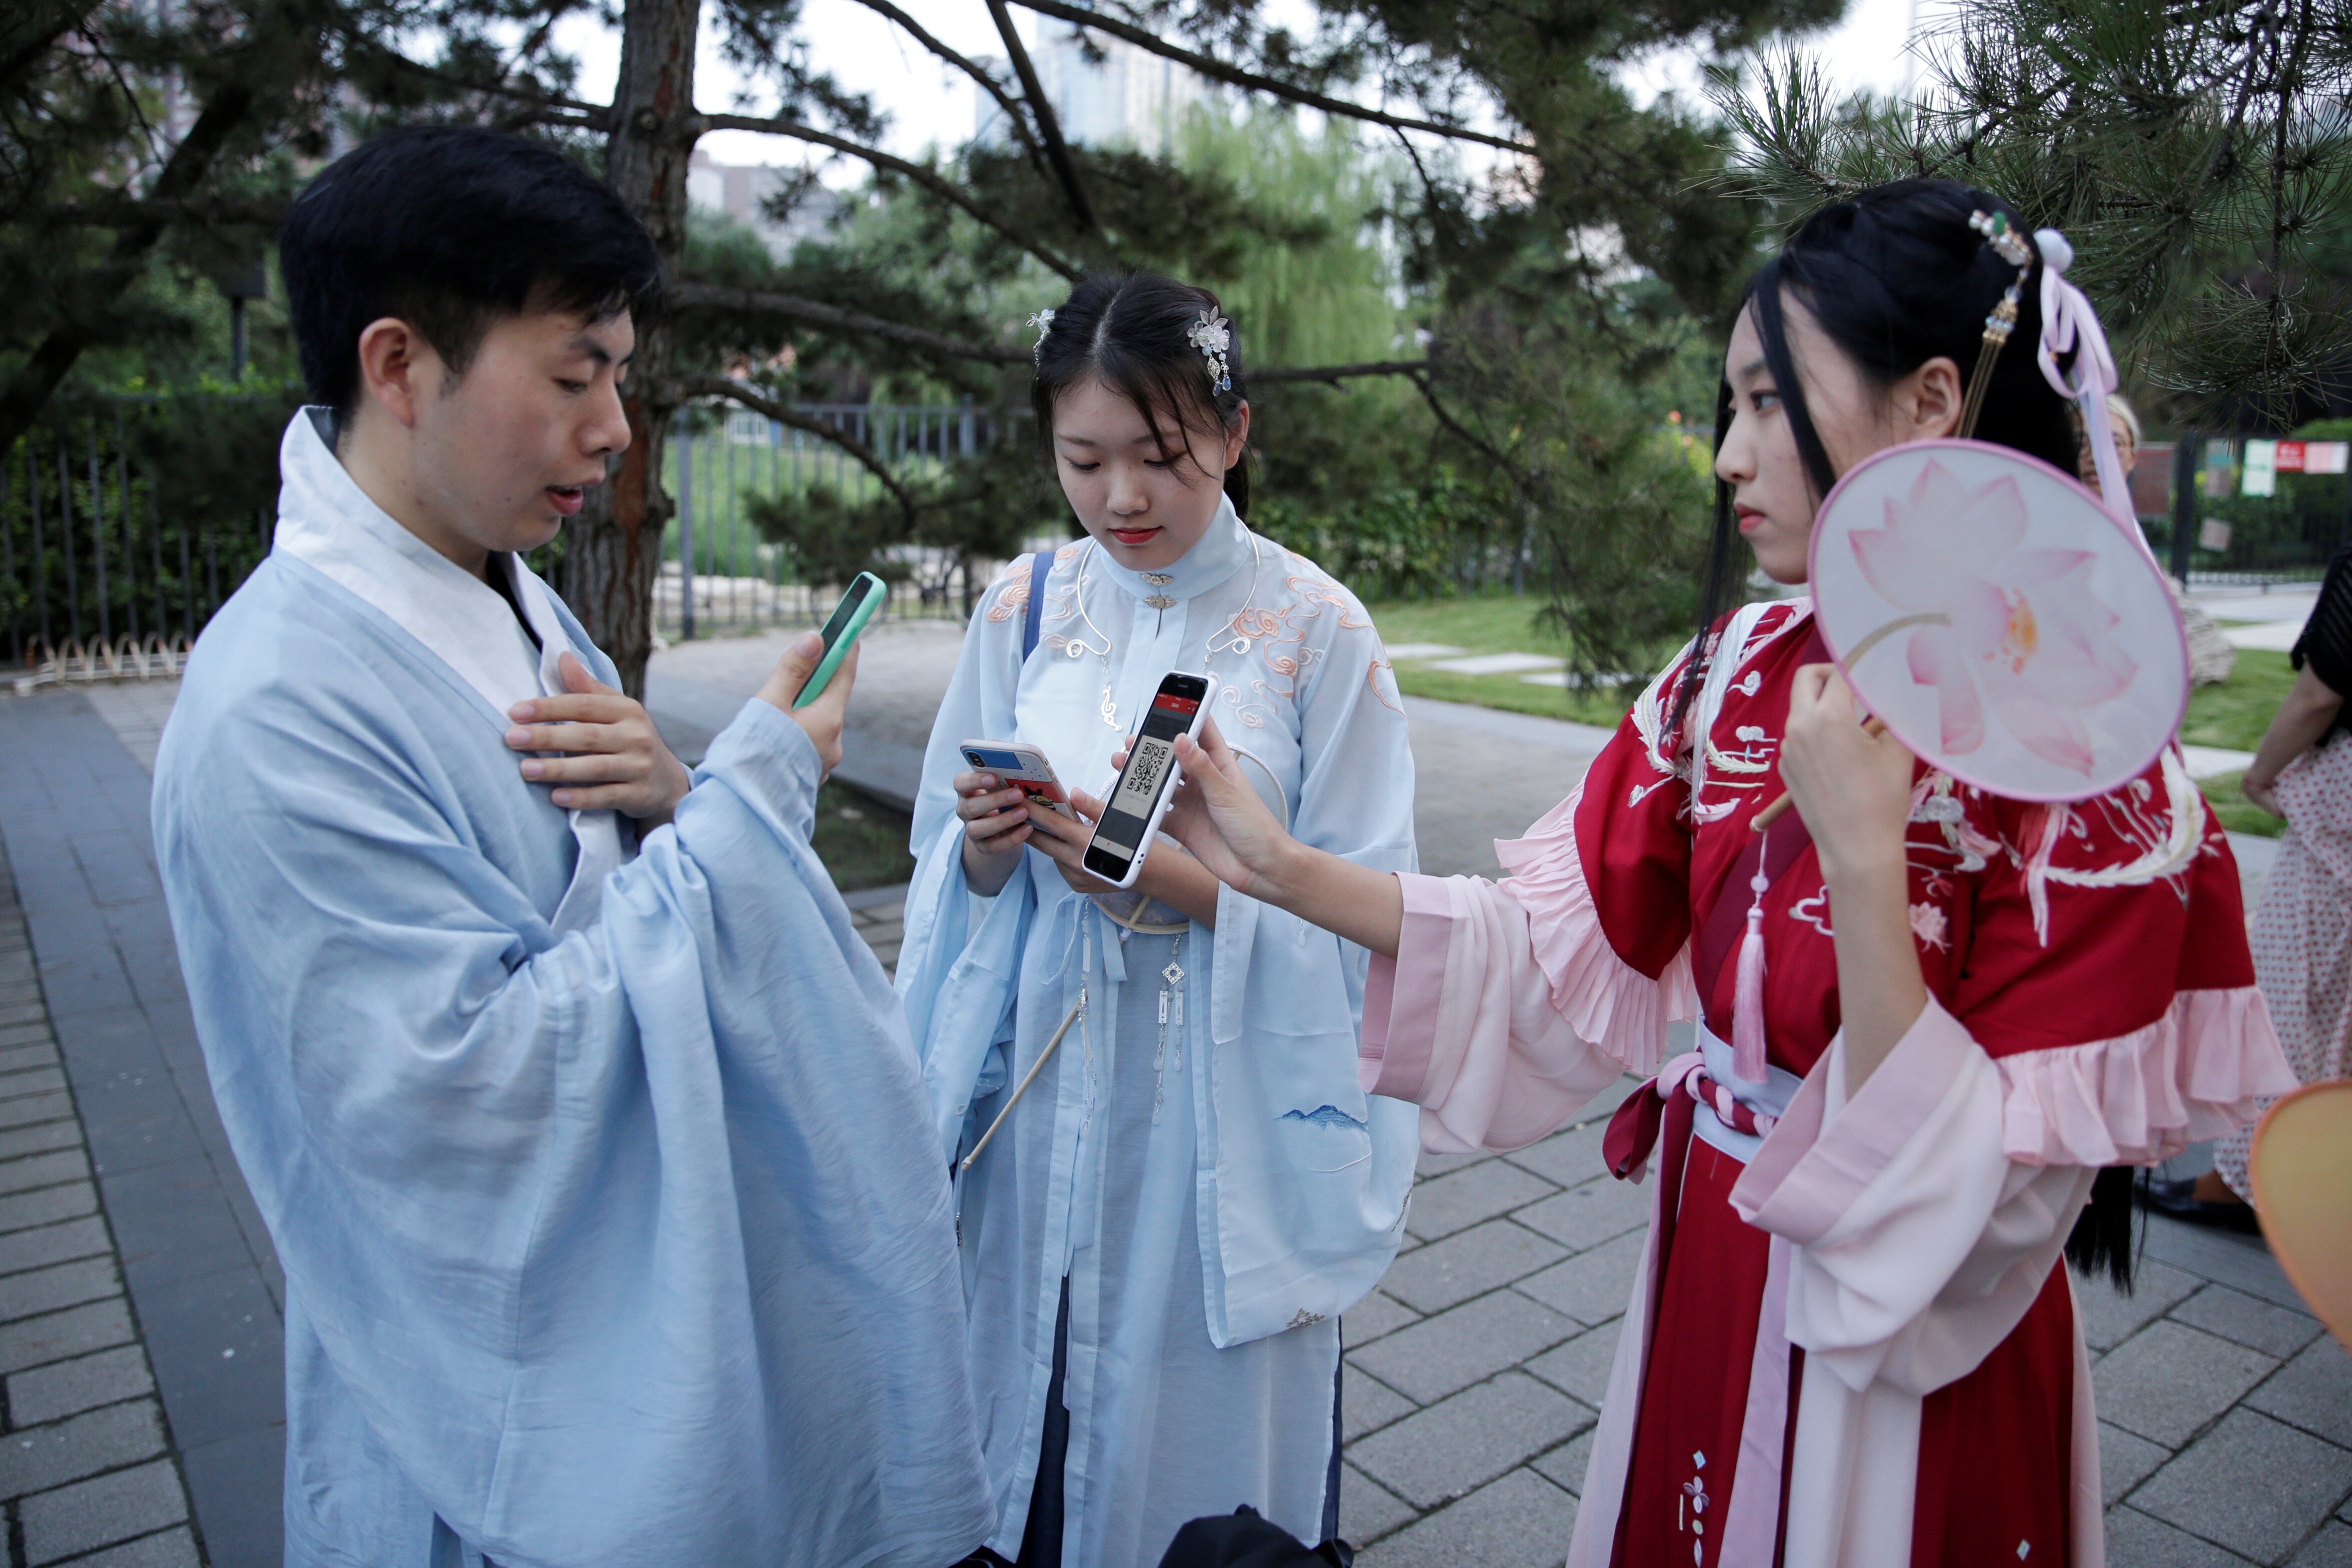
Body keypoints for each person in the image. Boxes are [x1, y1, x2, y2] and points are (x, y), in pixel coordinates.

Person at [1148, 181, 2296, 1565]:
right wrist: (1276, 863)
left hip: (1916, 1355)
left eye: (1767, 402)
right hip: (1712, 1264)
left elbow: (1977, 1212)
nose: (1727, 457)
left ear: (1933, 399)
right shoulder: (1734, 678)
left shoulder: (2094, 777)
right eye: (1731, 405)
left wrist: (1868, 860)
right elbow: (1541, 954)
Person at [150, 127, 991, 1566]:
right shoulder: (275, 714)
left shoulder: (511, 599)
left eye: (620, 371)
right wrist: (752, 797)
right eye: (572, 372)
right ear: (400, 365)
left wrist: (681, 792)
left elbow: (620, 896)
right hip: (495, 1437)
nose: (614, 428)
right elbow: (479, 1100)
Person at [894, 275, 1417, 1566]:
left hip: (1219, 1122)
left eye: (1161, 457)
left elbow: (1383, 923)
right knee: (1023, 1406)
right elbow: (931, 870)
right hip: (1040, 1102)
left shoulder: (1316, 631)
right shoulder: (1023, 607)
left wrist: (1184, 893)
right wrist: (984, 846)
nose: (1122, 498)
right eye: (1085, 459)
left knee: (1191, 1452)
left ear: (1234, 436)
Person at [2155, 545, 2352, 1221]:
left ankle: (2255, 1181)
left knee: (2301, 991)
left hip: (2342, 810)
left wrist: (2261, 773)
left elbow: (2321, 689)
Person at [2076, 391, 2234, 685]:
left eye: (2113, 443)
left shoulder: (2133, 543)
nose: (2096, 454)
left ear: (2133, 457)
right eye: (2082, 442)